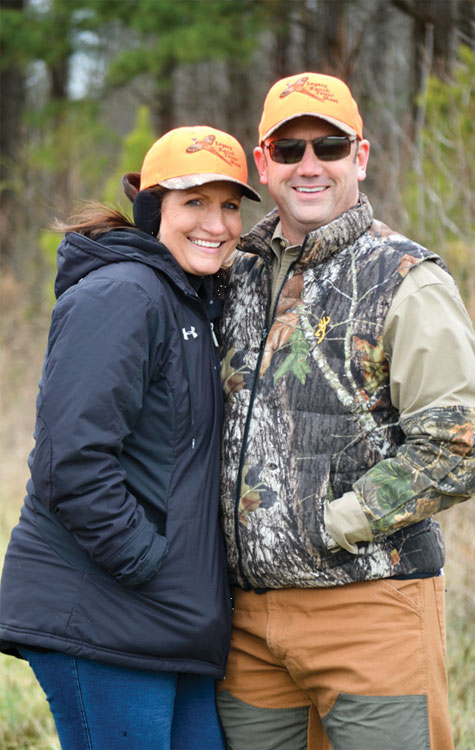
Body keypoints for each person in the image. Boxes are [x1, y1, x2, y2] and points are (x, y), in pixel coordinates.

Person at [215, 73, 475, 750]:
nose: (309, 164)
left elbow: (460, 444)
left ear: (360, 158)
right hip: (245, 627)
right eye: (289, 150)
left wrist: (333, 524)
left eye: (329, 146)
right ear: (264, 163)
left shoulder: (405, 279)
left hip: (370, 608)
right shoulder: (233, 274)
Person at [0, 125, 260, 750]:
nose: (216, 223)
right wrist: (150, 563)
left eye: (229, 205)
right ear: (154, 210)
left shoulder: (189, 302)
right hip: (105, 616)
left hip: (168, 625)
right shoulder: (124, 293)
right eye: (193, 202)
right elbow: (73, 462)